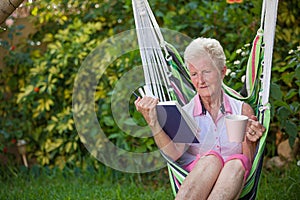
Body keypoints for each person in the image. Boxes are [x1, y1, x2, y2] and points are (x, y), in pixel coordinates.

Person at [135, 37, 266, 200]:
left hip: (233, 177)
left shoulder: (241, 110)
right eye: (194, 74)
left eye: (206, 72)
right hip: (198, 178)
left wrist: (251, 139)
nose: (200, 81)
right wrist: (153, 122)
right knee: (211, 160)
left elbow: (248, 158)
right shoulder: (186, 114)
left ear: (222, 72)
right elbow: (174, 154)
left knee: (236, 164)